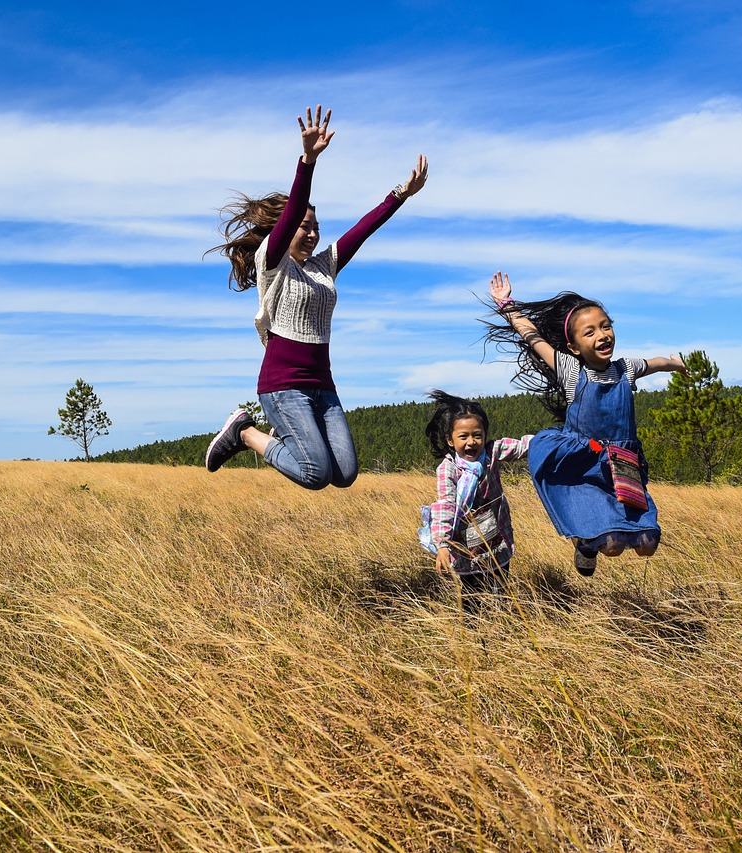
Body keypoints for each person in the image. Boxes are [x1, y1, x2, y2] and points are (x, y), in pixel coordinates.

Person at [203, 105, 428, 488]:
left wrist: (400, 195)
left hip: (323, 384)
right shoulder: (273, 261)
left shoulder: (325, 266)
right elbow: (290, 214)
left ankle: (268, 438)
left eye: (316, 227)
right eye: (304, 226)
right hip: (283, 385)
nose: (312, 233)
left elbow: (363, 229)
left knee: (344, 473)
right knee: (314, 473)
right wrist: (308, 160)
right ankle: (245, 433)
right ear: (284, 229)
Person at [485, 271, 686, 576]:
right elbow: (532, 336)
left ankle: (592, 541)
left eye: (605, 326)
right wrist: (507, 305)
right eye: (589, 332)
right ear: (575, 347)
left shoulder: (625, 368)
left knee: (647, 542)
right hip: (581, 462)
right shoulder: (570, 370)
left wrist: (674, 364)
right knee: (611, 545)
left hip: (622, 462)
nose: (602, 335)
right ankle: (586, 544)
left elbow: (655, 364)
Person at [418, 391, 532, 609]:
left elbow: (523, 446)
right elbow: (445, 505)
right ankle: (474, 638)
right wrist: (442, 544)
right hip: (465, 546)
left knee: (501, 593)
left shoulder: (492, 453)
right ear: (450, 440)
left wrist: (551, 441)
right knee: (472, 599)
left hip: (496, 540)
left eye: (477, 435)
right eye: (463, 437)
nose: (471, 442)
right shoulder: (448, 469)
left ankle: (503, 632)